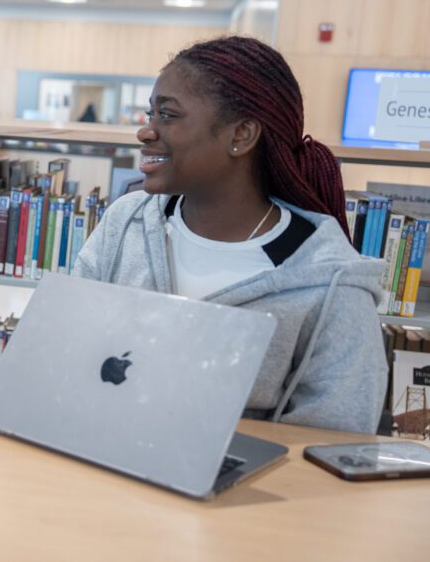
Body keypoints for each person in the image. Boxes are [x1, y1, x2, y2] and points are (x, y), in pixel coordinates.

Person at [73, 36, 387, 434]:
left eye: (167, 115)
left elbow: (335, 443)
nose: (146, 132)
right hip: (93, 467)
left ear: (241, 135)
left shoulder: (332, 285)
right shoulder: (125, 223)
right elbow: (66, 348)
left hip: (234, 492)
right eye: (150, 114)